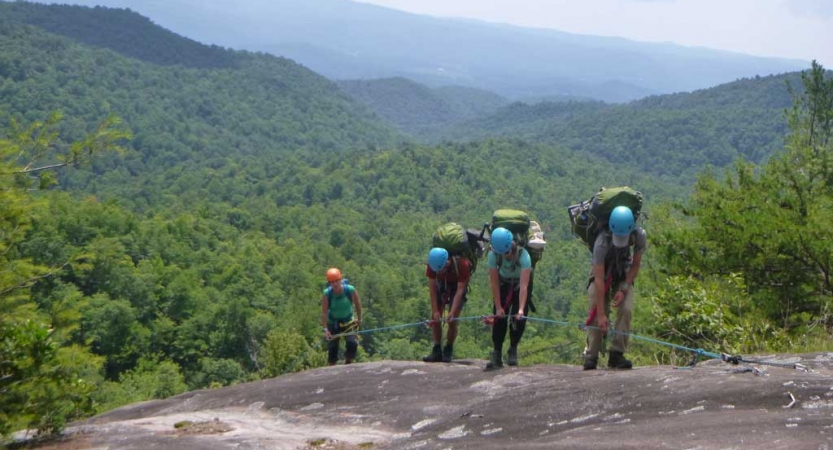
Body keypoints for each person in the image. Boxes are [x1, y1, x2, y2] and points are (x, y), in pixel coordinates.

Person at [583, 206, 647, 370]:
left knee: (626, 308)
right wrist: (602, 314)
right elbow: (598, 279)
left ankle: (616, 354)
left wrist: (624, 288)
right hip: (601, 274)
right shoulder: (601, 242)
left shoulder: (639, 235)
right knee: (597, 308)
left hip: (623, 273)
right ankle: (591, 355)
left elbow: (636, 264)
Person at [485, 227, 533, 370]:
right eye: (501, 253)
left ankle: (513, 349)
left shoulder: (524, 255)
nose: (505, 255)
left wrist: (520, 309)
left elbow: (524, 286)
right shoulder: (493, 255)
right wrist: (499, 306)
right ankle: (497, 352)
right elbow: (494, 283)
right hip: (503, 283)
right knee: (499, 318)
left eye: (506, 252)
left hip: (520, 284)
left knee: (518, 319)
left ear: (511, 246)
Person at [422, 247, 472, 363]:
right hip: (441, 284)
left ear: (448, 262)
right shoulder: (432, 265)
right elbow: (432, 289)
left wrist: (452, 312)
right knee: (435, 318)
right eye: (438, 270)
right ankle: (437, 349)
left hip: (457, 284)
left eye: (442, 269)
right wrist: (435, 311)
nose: (439, 272)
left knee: (452, 321)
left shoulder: (462, 264)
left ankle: (448, 348)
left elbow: (460, 290)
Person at [321, 267, 362, 366]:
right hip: (333, 322)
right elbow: (324, 312)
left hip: (348, 320)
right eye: (331, 282)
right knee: (332, 347)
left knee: (352, 342)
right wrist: (326, 329)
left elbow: (357, 304)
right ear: (329, 283)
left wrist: (359, 318)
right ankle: (332, 366)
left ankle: (348, 362)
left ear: (340, 280)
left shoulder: (350, 290)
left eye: (336, 281)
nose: (334, 284)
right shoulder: (327, 294)